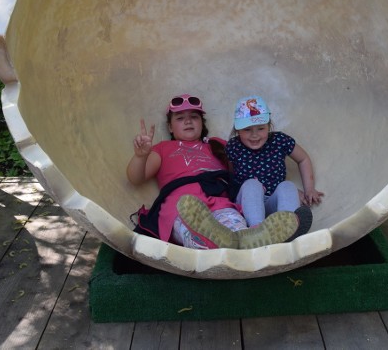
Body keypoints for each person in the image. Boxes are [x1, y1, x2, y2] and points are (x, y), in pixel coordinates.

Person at [126, 94, 298, 250]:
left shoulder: (217, 145)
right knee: (191, 229)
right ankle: (213, 243)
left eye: (194, 117)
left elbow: (253, 167)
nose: (188, 121)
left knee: (237, 231)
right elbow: (136, 178)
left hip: (220, 203)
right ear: (170, 127)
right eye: (180, 118)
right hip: (182, 206)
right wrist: (141, 156)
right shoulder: (163, 148)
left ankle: (241, 242)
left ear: (202, 123)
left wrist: (282, 189)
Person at [226, 95, 324, 241]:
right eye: (247, 130)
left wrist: (309, 188)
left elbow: (303, 159)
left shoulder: (279, 140)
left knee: (287, 186)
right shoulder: (233, 146)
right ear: (237, 130)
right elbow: (230, 176)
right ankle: (257, 233)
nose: (254, 135)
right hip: (247, 205)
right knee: (252, 185)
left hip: (272, 204)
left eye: (261, 128)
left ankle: (288, 229)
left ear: (269, 126)